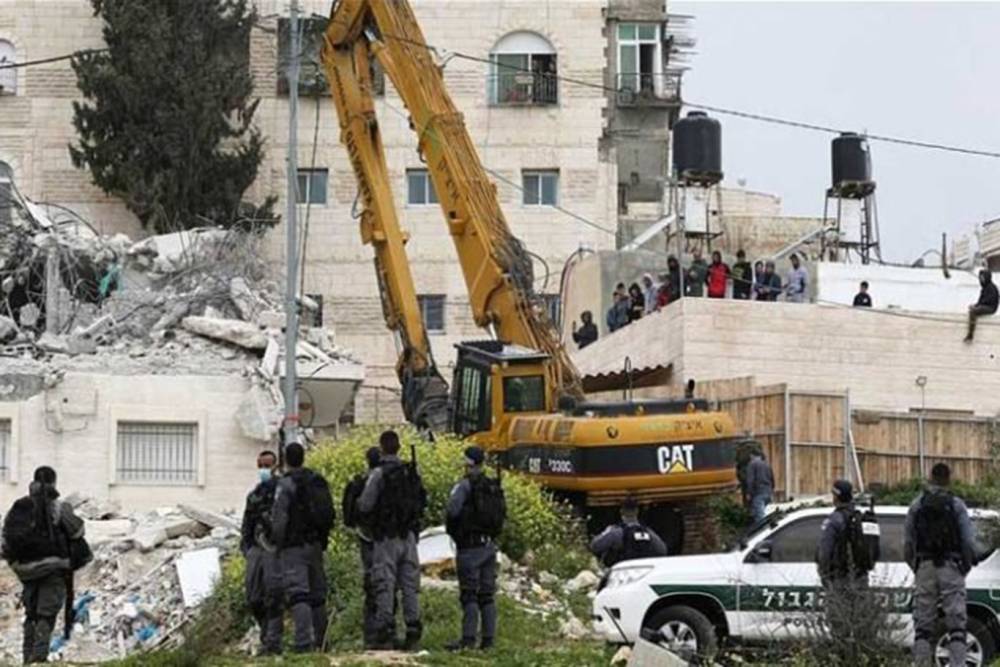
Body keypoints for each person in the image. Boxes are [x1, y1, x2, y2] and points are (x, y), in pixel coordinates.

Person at [1, 466, 86, 664]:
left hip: (25, 571)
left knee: (31, 614)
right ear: (54, 483)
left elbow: (5, 538)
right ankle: (38, 658)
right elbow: (77, 532)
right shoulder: (58, 506)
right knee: (46, 615)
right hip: (53, 568)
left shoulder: (19, 506)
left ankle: (27, 658)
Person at [358, 430, 426, 650]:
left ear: (382, 447)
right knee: (409, 586)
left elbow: (365, 505)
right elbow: (421, 500)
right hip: (409, 537)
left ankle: (385, 632)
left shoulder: (378, 475)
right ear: (399, 447)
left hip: (386, 538)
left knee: (384, 583)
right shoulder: (410, 471)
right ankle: (413, 630)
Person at [905, 463, 978, 666]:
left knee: (923, 626)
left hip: (925, 567)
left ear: (931, 477)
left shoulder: (917, 505)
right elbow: (968, 542)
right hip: (951, 566)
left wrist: (918, 567)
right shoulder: (956, 505)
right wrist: (964, 567)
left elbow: (908, 543)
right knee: (956, 625)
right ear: (949, 478)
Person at [272, 442, 335, 654]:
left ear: (286, 459)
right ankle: (323, 640)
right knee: (317, 595)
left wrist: (278, 544)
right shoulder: (316, 480)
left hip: (294, 546)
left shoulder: (286, 484)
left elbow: (279, 518)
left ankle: (302, 642)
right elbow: (329, 513)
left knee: (299, 594)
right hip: (316, 544)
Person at [445, 446, 507, 651]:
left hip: (469, 548)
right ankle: (488, 641)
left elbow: (452, 510)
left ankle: (468, 639)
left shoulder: (464, 486)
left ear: (469, 463)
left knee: (469, 595)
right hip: (489, 546)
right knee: (487, 596)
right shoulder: (492, 486)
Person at [815, 480, 875, 648]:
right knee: (861, 624)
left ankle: (842, 658)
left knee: (839, 626)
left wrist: (824, 576)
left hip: (839, 580)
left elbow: (824, 553)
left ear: (837, 496)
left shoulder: (835, 520)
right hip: (861, 577)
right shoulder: (860, 517)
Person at [240, 450, 283, 656]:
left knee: (273, 596)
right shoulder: (256, 493)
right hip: (256, 549)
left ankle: (272, 641)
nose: (264, 470)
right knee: (253, 596)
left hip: (275, 549)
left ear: (275, 466)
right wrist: (246, 547)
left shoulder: (282, 490)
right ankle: (267, 634)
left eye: (267, 465)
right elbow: (247, 522)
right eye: (261, 466)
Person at [342, 447, 385, 649]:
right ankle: (385, 633)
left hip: (366, 537)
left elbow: (361, 508)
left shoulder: (363, 481)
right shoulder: (389, 479)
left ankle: (371, 636)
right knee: (387, 585)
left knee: (370, 584)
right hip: (388, 539)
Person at [589, 498, 667, 567]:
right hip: (644, 570)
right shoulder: (649, 532)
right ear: (637, 511)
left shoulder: (616, 532)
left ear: (621, 511)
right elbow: (663, 550)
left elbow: (594, 546)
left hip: (623, 571)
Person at [964, 268, 998, 342]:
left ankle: (970, 334)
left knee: (973, 312)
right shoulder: (984, 288)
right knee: (972, 309)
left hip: (991, 308)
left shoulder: (992, 288)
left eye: (983, 277)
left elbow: (989, 300)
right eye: (980, 278)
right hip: (986, 306)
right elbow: (980, 301)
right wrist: (975, 305)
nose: (981, 279)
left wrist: (977, 307)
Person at [744, 450, 774, 524]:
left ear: (752, 455)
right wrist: (771, 490)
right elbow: (772, 479)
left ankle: (763, 532)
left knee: (759, 517)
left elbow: (750, 480)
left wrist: (749, 493)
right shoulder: (766, 464)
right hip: (768, 492)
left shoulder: (752, 464)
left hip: (758, 493)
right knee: (757, 512)